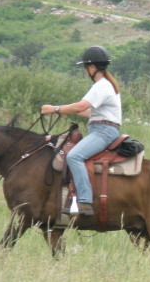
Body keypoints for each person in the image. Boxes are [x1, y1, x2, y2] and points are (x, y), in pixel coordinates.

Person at [41, 45, 122, 217]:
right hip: (101, 128)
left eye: (86, 68)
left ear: (92, 67)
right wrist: (64, 110)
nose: (86, 72)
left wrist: (55, 109)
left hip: (103, 131)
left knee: (74, 156)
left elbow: (82, 105)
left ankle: (85, 202)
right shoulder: (107, 85)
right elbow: (87, 111)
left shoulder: (101, 86)